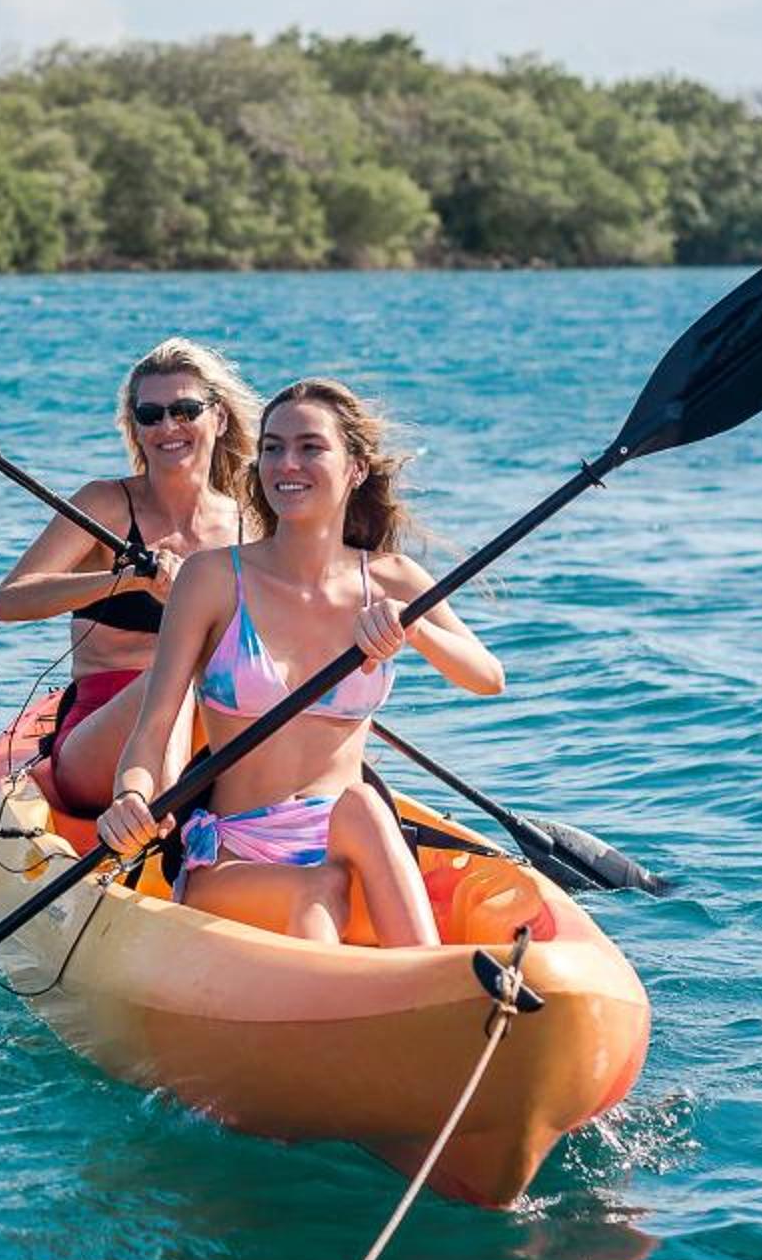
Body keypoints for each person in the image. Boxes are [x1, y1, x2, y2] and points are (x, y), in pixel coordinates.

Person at [94, 379, 504, 948]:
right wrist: (130, 798)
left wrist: (414, 628)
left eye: (310, 447)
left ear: (355, 468)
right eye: (273, 447)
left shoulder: (393, 579)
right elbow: (154, 728)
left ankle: (432, 975)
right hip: (237, 856)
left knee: (362, 804)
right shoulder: (213, 578)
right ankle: (405, 982)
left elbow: (487, 678)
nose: (287, 464)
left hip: (349, 847)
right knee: (319, 887)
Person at [0, 339, 258, 815]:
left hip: (212, 735)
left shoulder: (249, 524)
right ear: (135, 428)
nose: (168, 426)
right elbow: (9, 601)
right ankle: (157, 816)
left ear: (218, 418)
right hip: (97, 743)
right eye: (150, 415)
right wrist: (127, 580)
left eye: (185, 410)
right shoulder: (105, 505)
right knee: (172, 676)